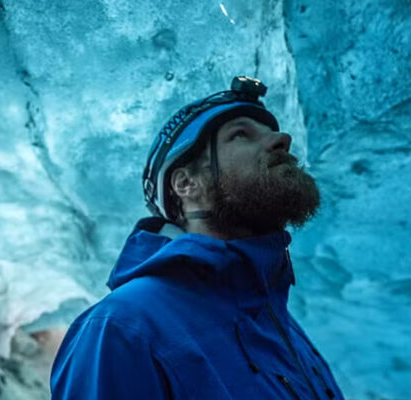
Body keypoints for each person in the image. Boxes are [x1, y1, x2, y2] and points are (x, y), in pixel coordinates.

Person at [51, 76, 344, 399]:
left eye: (272, 132)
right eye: (242, 135)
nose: (281, 139)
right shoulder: (123, 328)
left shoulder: (279, 322)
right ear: (186, 184)